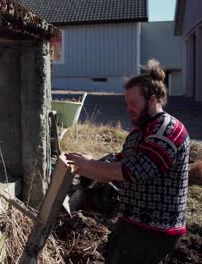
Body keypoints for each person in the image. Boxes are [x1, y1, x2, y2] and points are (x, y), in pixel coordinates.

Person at [66, 60, 190, 264]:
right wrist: (81, 166)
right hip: (132, 221)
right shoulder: (138, 134)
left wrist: (89, 164)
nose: (128, 109)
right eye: (127, 103)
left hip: (155, 230)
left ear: (152, 101)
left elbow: (132, 171)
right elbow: (113, 171)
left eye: (134, 103)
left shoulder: (168, 130)